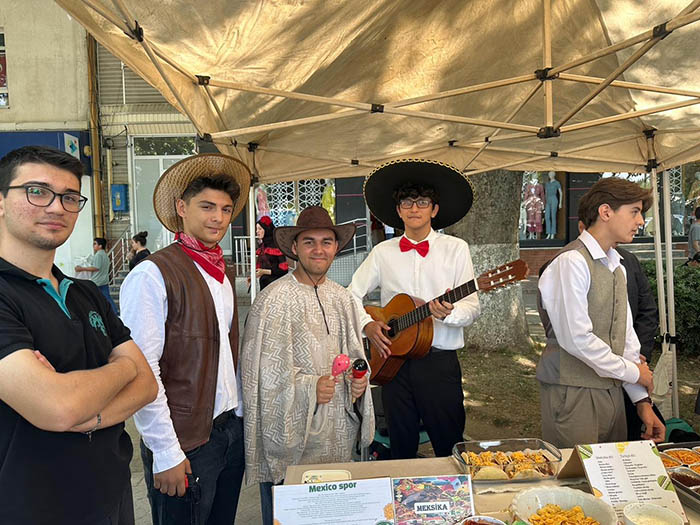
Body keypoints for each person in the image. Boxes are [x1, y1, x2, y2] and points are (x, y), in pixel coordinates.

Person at [0, 145, 157, 524]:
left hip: (112, 494)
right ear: (1, 202)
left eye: (70, 197)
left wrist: (88, 414)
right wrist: (123, 368)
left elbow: (148, 385)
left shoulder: (85, 293)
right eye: (37, 191)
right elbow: (60, 408)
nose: (57, 207)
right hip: (31, 507)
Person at [120, 153, 250, 525]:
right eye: (207, 207)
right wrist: (165, 452)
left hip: (228, 431)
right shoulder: (152, 273)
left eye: (226, 210)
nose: (218, 218)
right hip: (184, 440)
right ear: (181, 208)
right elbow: (141, 370)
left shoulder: (222, 273)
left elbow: (225, 355)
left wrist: (240, 420)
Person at [241, 206, 374, 525]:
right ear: (295, 247)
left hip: (337, 438)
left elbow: (356, 357)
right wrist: (309, 386)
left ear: (336, 247)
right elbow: (260, 379)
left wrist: (358, 381)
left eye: (326, 242)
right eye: (309, 242)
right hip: (291, 443)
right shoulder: (272, 301)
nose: (319, 249)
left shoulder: (342, 298)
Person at [348, 159, 481, 460]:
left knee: (449, 444)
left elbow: (472, 306)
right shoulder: (383, 252)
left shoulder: (456, 249)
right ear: (398, 210)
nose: (414, 209)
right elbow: (350, 294)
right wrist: (368, 324)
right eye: (407, 202)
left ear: (434, 209)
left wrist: (450, 313)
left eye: (422, 202)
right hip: (394, 362)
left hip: (439, 363)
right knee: (400, 444)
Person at [537, 177, 665, 447]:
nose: (641, 221)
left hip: (612, 391)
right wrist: (634, 373)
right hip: (573, 392)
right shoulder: (571, 262)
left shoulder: (616, 266)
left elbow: (625, 338)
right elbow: (577, 339)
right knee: (577, 471)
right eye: (635, 211)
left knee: (611, 470)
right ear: (606, 212)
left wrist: (641, 400)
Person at [75, 236, 119, 313]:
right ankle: (114, 312)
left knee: (93, 298)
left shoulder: (98, 255)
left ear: (100, 246)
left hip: (97, 281)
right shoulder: (104, 255)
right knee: (106, 298)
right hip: (104, 280)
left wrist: (82, 269)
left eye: (95, 244)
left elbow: (96, 267)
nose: (93, 245)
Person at [254, 215, 288, 290]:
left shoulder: (276, 246)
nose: (257, 231)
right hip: (264, 283)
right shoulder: (262, 246)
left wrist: (264, 271)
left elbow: (284, 271)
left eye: (260, 229)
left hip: (275, 285)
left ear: (267, 230)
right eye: (256, 229)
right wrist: (253, 277)